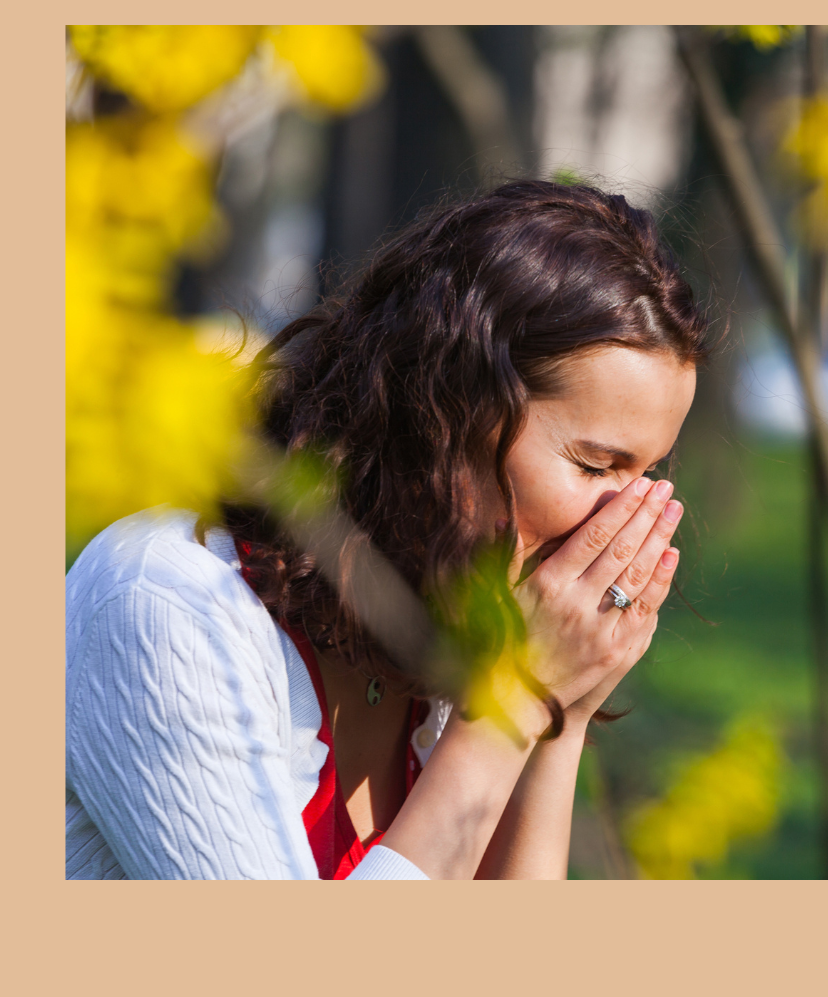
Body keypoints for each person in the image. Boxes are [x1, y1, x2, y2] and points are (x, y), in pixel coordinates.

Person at [66, 180, 710, 880]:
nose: (628, 518)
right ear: (446, 414)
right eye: (595, 466)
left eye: (647, 475)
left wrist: (560, 715)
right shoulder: (166, 604)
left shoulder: (448, 626)